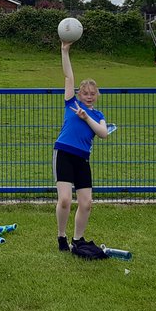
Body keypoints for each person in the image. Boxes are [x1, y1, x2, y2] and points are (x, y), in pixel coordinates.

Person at [53, 40, 110, 253]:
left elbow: (103, 133)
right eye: (85, 93)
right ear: (79, 94)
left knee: (86, 203)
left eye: (92, 94)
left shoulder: (97, 115)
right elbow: (69, 76)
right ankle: (61, 236)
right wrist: (64, 51)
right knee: (65, 200)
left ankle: (78, 239)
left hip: (82, 158)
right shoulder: (71, 104)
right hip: (64, 153)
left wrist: (86, 118)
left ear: (97, 95)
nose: (89, 96)